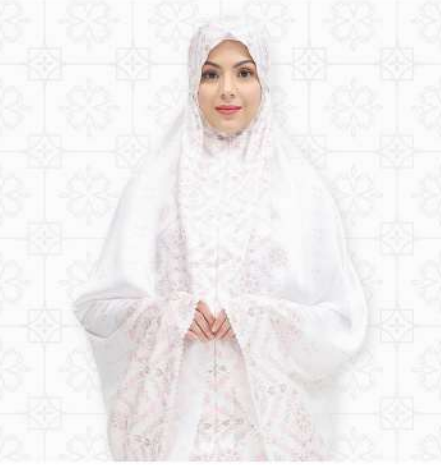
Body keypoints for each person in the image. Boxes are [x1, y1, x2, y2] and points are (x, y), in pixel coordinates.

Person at [72, 15, 369, 461]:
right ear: (192, 84)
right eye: (211, 74)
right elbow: (98, 310)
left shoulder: (302, 192)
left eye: (244, 73)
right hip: (178, 437)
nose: (227, 90)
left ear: (264, 82)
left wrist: (258, 319)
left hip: (264, 443)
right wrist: (170, 316)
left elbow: (343, 323)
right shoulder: (153, 185)